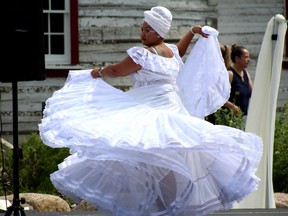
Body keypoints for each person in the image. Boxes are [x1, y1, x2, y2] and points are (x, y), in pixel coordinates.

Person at [39, 6, 262, 216]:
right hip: (170, 107)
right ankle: (164, 205)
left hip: (152, 108)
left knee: (149, 154)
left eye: (148, 30)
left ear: (159, 33)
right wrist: (191, 31)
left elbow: (117, 70)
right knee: (164, 156)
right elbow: (181, 49)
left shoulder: (143, 55)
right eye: (142, 29)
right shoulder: (171, 53)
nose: (142, 33)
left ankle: (161, 205)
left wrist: (94, 73)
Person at [227, 44, 253, 117]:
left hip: (242, 118)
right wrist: (232, 107)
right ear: (237, 58)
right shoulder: (230, 74)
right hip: (229, 118)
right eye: (246, 57)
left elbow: (253, 93)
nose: (249, 60)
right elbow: (218, 96)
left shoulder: (246, 74)